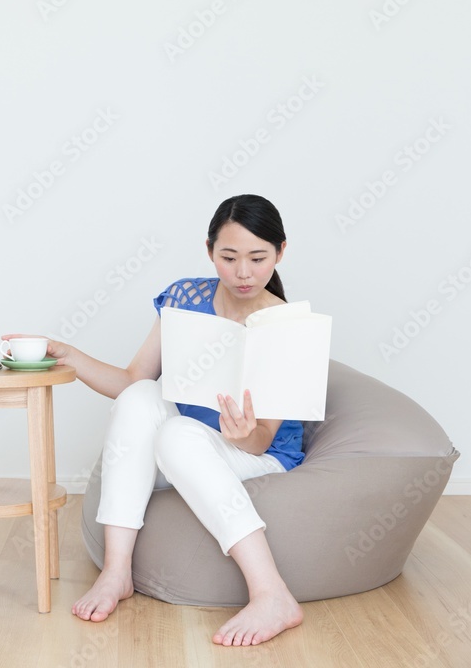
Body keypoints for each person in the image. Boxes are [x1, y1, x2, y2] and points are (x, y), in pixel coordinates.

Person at [47, 193, 305, 647]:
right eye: (229, 257)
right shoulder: (186, 297)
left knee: (177, 433)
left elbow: (264, 439)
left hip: (255, 454)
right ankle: (116, 572)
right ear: (209, 251)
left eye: (258, 258)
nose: (243, 272)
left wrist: (243, 435)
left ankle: (272, 594)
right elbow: (132, 379)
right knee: (142, 397)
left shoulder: (284, 326)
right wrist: (70, 355)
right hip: (183, 448)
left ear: (280, 253)